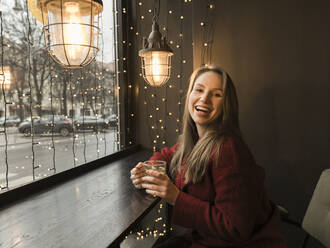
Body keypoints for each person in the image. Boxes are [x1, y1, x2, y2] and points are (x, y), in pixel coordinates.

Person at [130, 66, 288, 248]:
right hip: (204, 238)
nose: (204, 98)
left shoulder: (229, 149)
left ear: (226, 105)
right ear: (190, 95)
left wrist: (176, 197)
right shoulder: (195, 141)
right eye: (199, 90)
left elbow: (235, 229)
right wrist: (145, 171)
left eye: (216, 94)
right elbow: (166, 155)